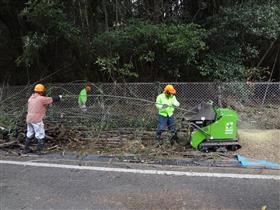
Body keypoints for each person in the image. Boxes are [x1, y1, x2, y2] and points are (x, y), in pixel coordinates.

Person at [24, 84, 62, 154]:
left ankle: (26, 149)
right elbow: (51, 99)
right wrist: (59, 97)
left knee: (29, 133)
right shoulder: (41, 99)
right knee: (40, 134)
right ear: (41, 91)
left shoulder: (30, 98)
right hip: (36, 119)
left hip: (29, 119)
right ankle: (39, 151)